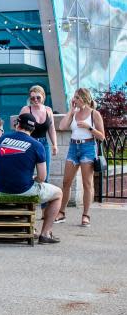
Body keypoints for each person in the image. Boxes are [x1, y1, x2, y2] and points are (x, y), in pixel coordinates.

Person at [0, 113, 63, 244]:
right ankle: (45, 233)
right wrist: (34, 179)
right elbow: (42, 177)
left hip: (0, 188)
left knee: (27, 183)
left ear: (17, 124)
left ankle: (32, 228)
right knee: (58, 194)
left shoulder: (2, 138)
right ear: (33, 129)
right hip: (22, 189)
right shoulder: (37, 145)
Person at [57, 87, 105, 227]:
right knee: (66, 182)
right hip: (73, 148)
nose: (74, 100)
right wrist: (71, 111)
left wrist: (88, 127)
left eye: (77, 97)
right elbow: (61, 126)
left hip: (88, 148)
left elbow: (102, 136)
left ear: (84, 98)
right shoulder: (74, 112)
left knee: (87, 183)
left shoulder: (94, 114)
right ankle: (61, 212)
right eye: (74, 97)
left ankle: (86, 215)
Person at [20, 85, 58, 176]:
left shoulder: (48, 110)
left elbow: (51, 129)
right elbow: (18, 126)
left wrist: (55, 144)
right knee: (28, 173)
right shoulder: (26, 109)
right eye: (32, 98)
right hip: (29, 143)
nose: (35, 100)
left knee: (45, 175)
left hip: (44, 144)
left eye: (38, 97)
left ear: (43, 97)